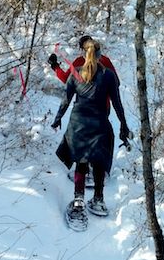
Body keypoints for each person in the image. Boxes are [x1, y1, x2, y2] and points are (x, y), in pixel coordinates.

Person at [51, 38, 130, 224]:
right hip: (100, 121)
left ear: (82, 52)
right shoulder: (109, 75)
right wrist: (124, 126)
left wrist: (57, 120)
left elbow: (66, 100)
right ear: (100, 53)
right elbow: (117, 104)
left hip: (78, 124)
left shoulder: (76, 72)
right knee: (99, 159)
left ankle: (78, 201)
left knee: (81, 160)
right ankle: (99, 199)